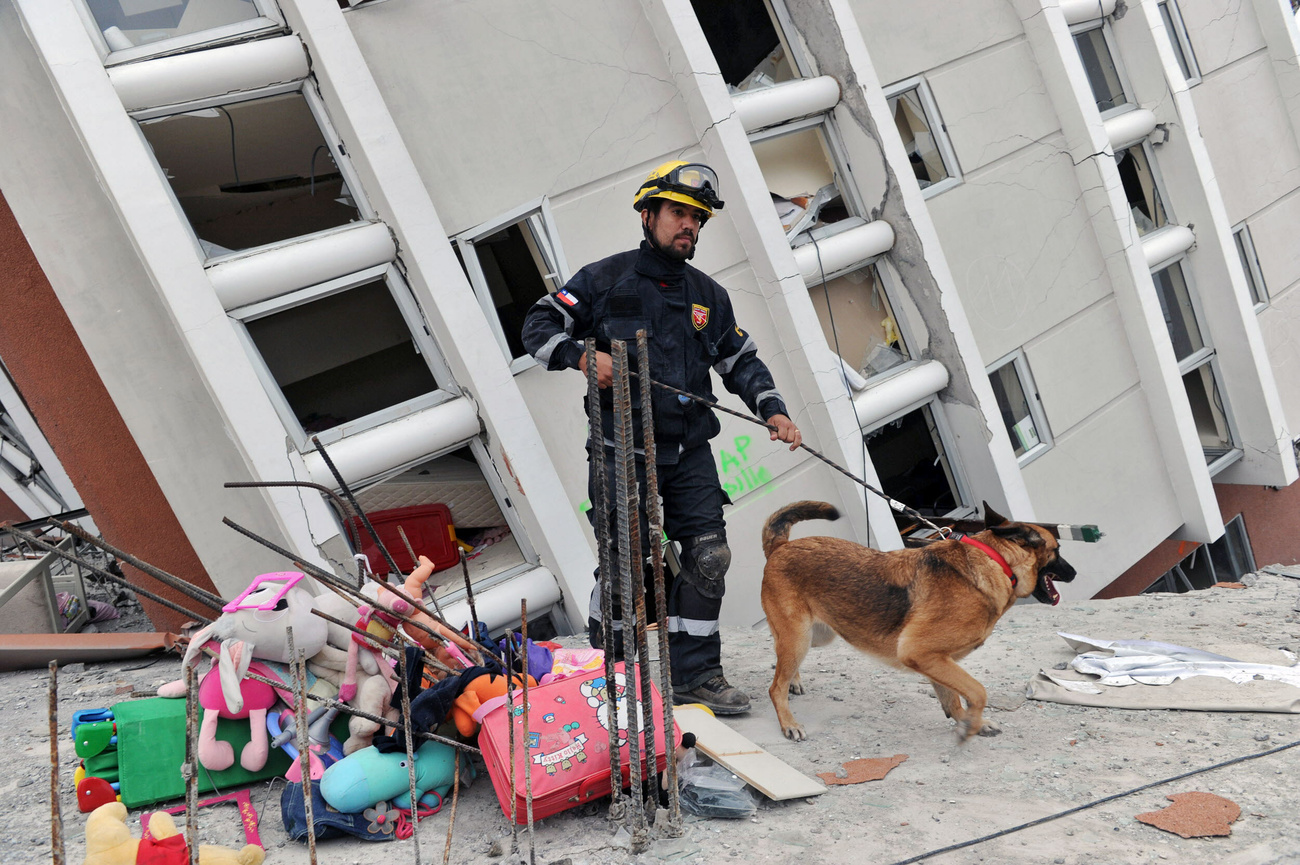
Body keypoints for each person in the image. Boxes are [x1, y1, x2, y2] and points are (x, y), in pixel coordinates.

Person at [521, 160, 800, 714]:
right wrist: (580, 355)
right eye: (678, 213)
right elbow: (537, 325)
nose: (689, 226)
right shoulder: (604, 279)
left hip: (690, 453)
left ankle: (694, 674)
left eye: (697, 219)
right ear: (648, 215)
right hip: (621, 451)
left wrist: (773, 411)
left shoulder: (708, 295)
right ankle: (617, 676)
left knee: (709, 558)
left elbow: (740, 360)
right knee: (627, 565)